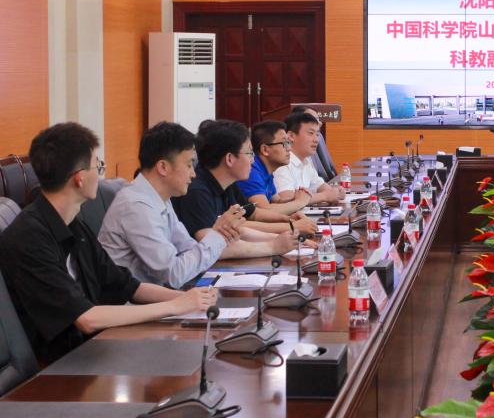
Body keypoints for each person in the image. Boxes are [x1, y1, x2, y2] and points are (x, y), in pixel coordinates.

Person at [0, 123, 217, 364]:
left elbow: (127, 285)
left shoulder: (73, 225)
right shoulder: (30, 237)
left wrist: (188, 298)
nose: (100, 174)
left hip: (95, 348)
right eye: (98, 166)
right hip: (62, 365)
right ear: (80, 178)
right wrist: (175, 306)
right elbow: (86, 318)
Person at [99, 123, 299, 287]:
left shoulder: (160, 198)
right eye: (188, 165)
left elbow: (189, 248)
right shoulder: (136, 206)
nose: (193, 173)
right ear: (163, 167)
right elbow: (174, 274)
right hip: (133, 308)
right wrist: (219, 235)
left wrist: (219, 235)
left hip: (163, 296)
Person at [172, 120, 317, 241]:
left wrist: (288, 220)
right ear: (230, 159)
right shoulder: (197, 192)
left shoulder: (229, 184)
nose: (253, 160)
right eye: (249, 153)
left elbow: (253, 214)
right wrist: (291, 228)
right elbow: (235, 230)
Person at [237, 120, 312, 214]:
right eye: (284, 143)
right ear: (265, 149)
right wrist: (299, 202)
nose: (289, 148)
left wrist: (297, 197)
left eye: (288, 143)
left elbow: (276, 201)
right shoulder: (251, 171)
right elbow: (264, 211)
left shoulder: (266, 169)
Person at [274, 110, 345, 204]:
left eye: (317, 134)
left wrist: (335, 192)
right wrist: (325, 196)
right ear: (291, 136)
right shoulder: (281, 162)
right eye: (311, 133)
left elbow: (319, 185)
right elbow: (287, 198)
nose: (316, 140)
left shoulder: (306, 159)